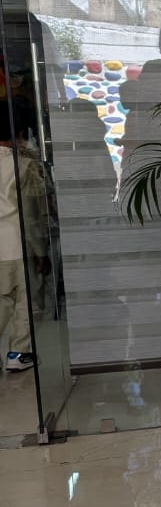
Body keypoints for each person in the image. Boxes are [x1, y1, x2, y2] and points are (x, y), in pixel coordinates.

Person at [0, 99, 48, 372]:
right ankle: (18, 353)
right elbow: (32, 213)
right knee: (24, 300)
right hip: (15, 243)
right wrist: (41, 250)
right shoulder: (22, 165)